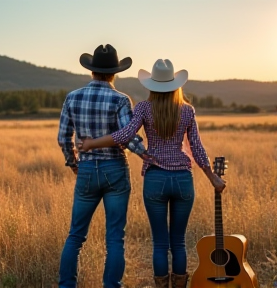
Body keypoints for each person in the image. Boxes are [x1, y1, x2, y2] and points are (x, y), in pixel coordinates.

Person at [78, 59, 226, 288]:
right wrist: (212, 177)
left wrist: (91, 144)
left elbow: (124, 135)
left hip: (155, 179)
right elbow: (197, 147)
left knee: (159, 243)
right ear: (176, 85)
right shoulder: (187, 110)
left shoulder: (144, 108)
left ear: (152, 86)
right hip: (183, 181)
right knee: (178, 242)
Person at [57, 44, 148, 288]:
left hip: (86, 170)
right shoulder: (120, 99)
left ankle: (66, 286)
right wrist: (147, 155)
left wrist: (73, 163)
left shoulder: (72, 97)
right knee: (115, 238)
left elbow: (62, 138)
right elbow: (128, 137)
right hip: (115, 169)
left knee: (75, 236)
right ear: (114, 73)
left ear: (92, 71)